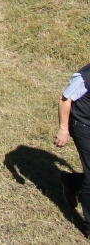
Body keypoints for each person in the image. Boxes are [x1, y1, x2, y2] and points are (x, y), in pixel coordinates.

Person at [54, 59, 90, 231]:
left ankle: (71, 182)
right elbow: (65, 99)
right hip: (83, 124)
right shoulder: (85, 76)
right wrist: (63, 129)